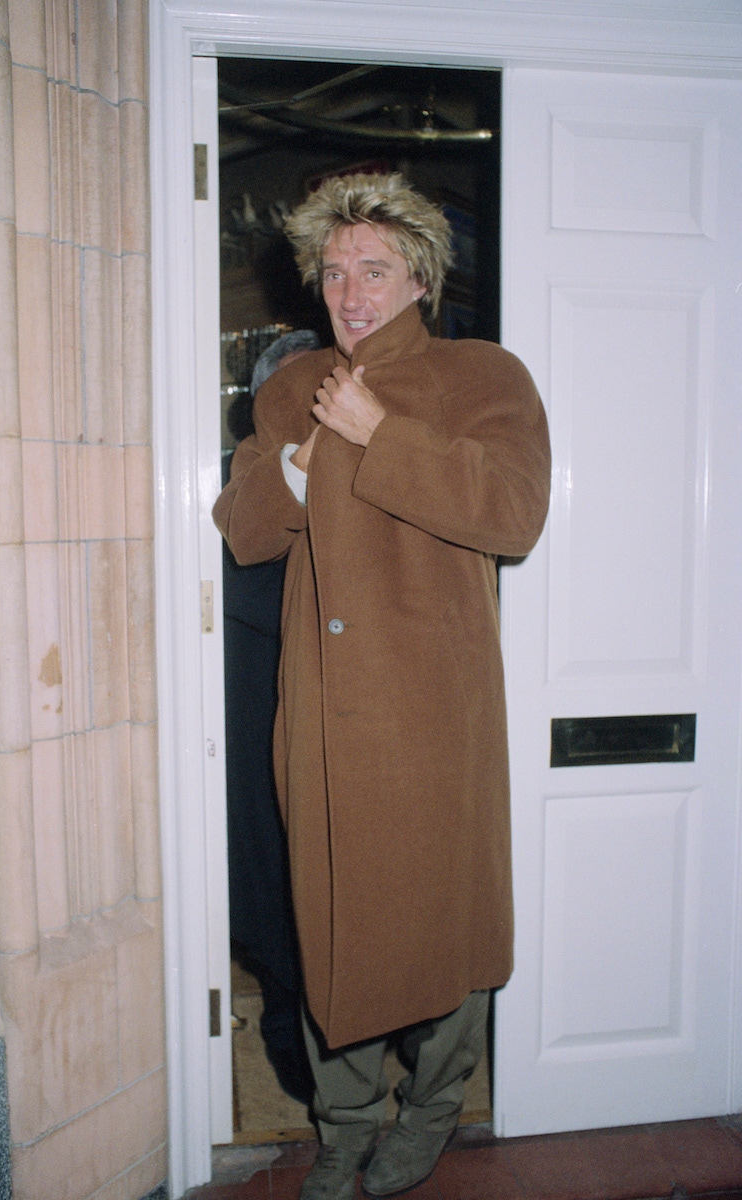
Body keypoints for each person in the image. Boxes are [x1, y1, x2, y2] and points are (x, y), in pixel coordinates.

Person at [213, 172, 551, 1199]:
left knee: (441, 913)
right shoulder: (290, 385)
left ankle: (435, 1106)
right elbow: (242, 529)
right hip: (317, 706)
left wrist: (379, 433)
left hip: (431, 708)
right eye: (332, 271)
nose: (349, 291)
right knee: (331, 917)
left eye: (374, 269)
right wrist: (306, 464)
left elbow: (512, 514)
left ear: (418, 278)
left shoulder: (481, 374)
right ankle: (347, 1118)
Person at [222, 329, 320, 1102]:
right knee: (274, 882)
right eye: (288, 388)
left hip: (342, 712)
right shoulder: (247, 475)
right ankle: (290, 1037)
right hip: (262, 706)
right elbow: (245, 590)